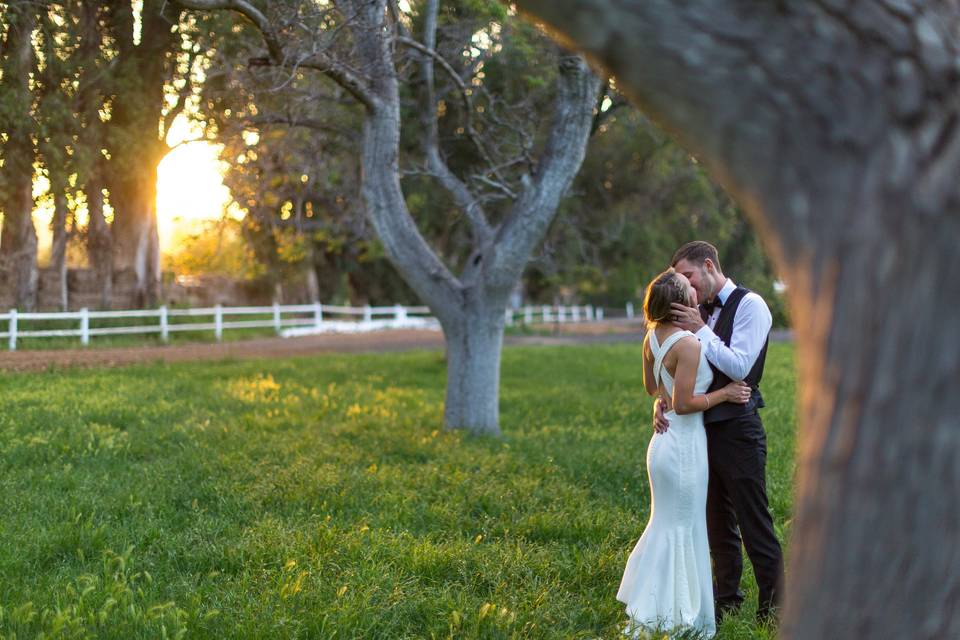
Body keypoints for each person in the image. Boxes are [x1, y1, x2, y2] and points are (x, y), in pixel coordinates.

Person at [618, 268, 751, 638]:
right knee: (683, 527)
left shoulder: (651, 337)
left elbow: (652, 389)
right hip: (684, 448)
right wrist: (724, 395)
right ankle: (676, 616)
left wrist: (662, 402)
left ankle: (660, 610)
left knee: (669, 524)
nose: (695, 290)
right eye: (688, 288)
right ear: (682, 301)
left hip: (661, 445)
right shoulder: (688, 344)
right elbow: (685, 402)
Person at [659, 240, 785, 625]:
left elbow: (741, 368)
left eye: (689, 277)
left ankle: (775, 608)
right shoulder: (692, 312)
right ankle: (726, 600)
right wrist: (661, 400)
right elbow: (681, 369)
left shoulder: (752, 306)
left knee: (753, 521)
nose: (687, 288)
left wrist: (701, 329)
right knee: (716, 523)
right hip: (697, 431)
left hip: (739, 431)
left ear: (709, 266)